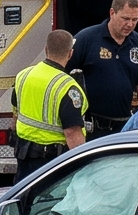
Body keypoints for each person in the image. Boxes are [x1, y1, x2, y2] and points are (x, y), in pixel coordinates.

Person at [69, 0, 138, 137]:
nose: (130, 25)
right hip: (92, 127)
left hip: (125, 126)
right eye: (125, 19)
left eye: (135, 20)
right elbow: (63, 75)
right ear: (112, 13)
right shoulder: (86, 39)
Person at [10, 28, 89, 177]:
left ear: (46, 50)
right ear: (70, 53)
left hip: (24, 154)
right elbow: (72, 133)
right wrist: (83, 167)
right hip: (52, 160)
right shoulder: (67, 87)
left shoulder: (23, 75)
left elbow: (15, 113)